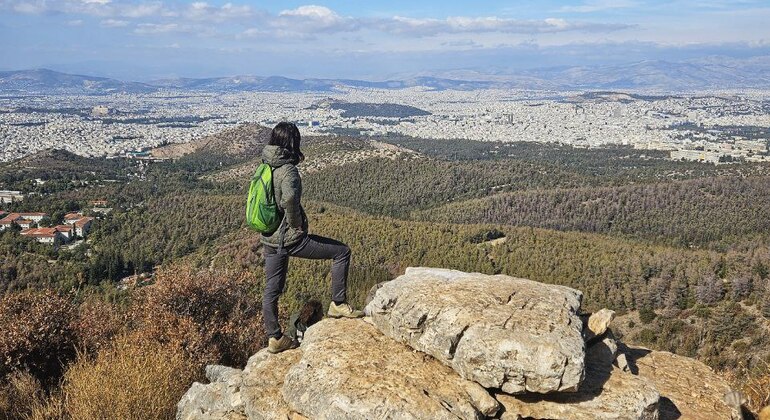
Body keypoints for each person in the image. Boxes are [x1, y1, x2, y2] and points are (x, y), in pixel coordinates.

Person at [260, 122, 363, 354]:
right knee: (341, 252)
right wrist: (296, 226)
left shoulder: (265, 165)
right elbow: (289, 201)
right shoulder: (288, 171)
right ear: (292, 143)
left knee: (271, 290)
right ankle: (338, 304)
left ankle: (275, 337)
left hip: (269, 238)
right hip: (289, 239)